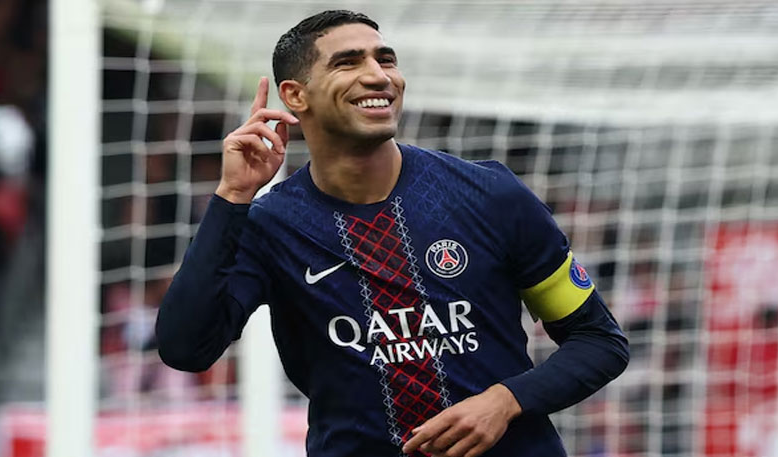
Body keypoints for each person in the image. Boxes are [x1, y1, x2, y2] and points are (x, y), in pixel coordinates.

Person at [156, 9, 629, 457]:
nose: (379, 75)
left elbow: (598, 341)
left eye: (385, 59)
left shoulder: (488, 193)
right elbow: (186, 349)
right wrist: (233, 197)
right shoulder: (269, 225)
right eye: (347, 62)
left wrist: (504, 401)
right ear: (296, 96)